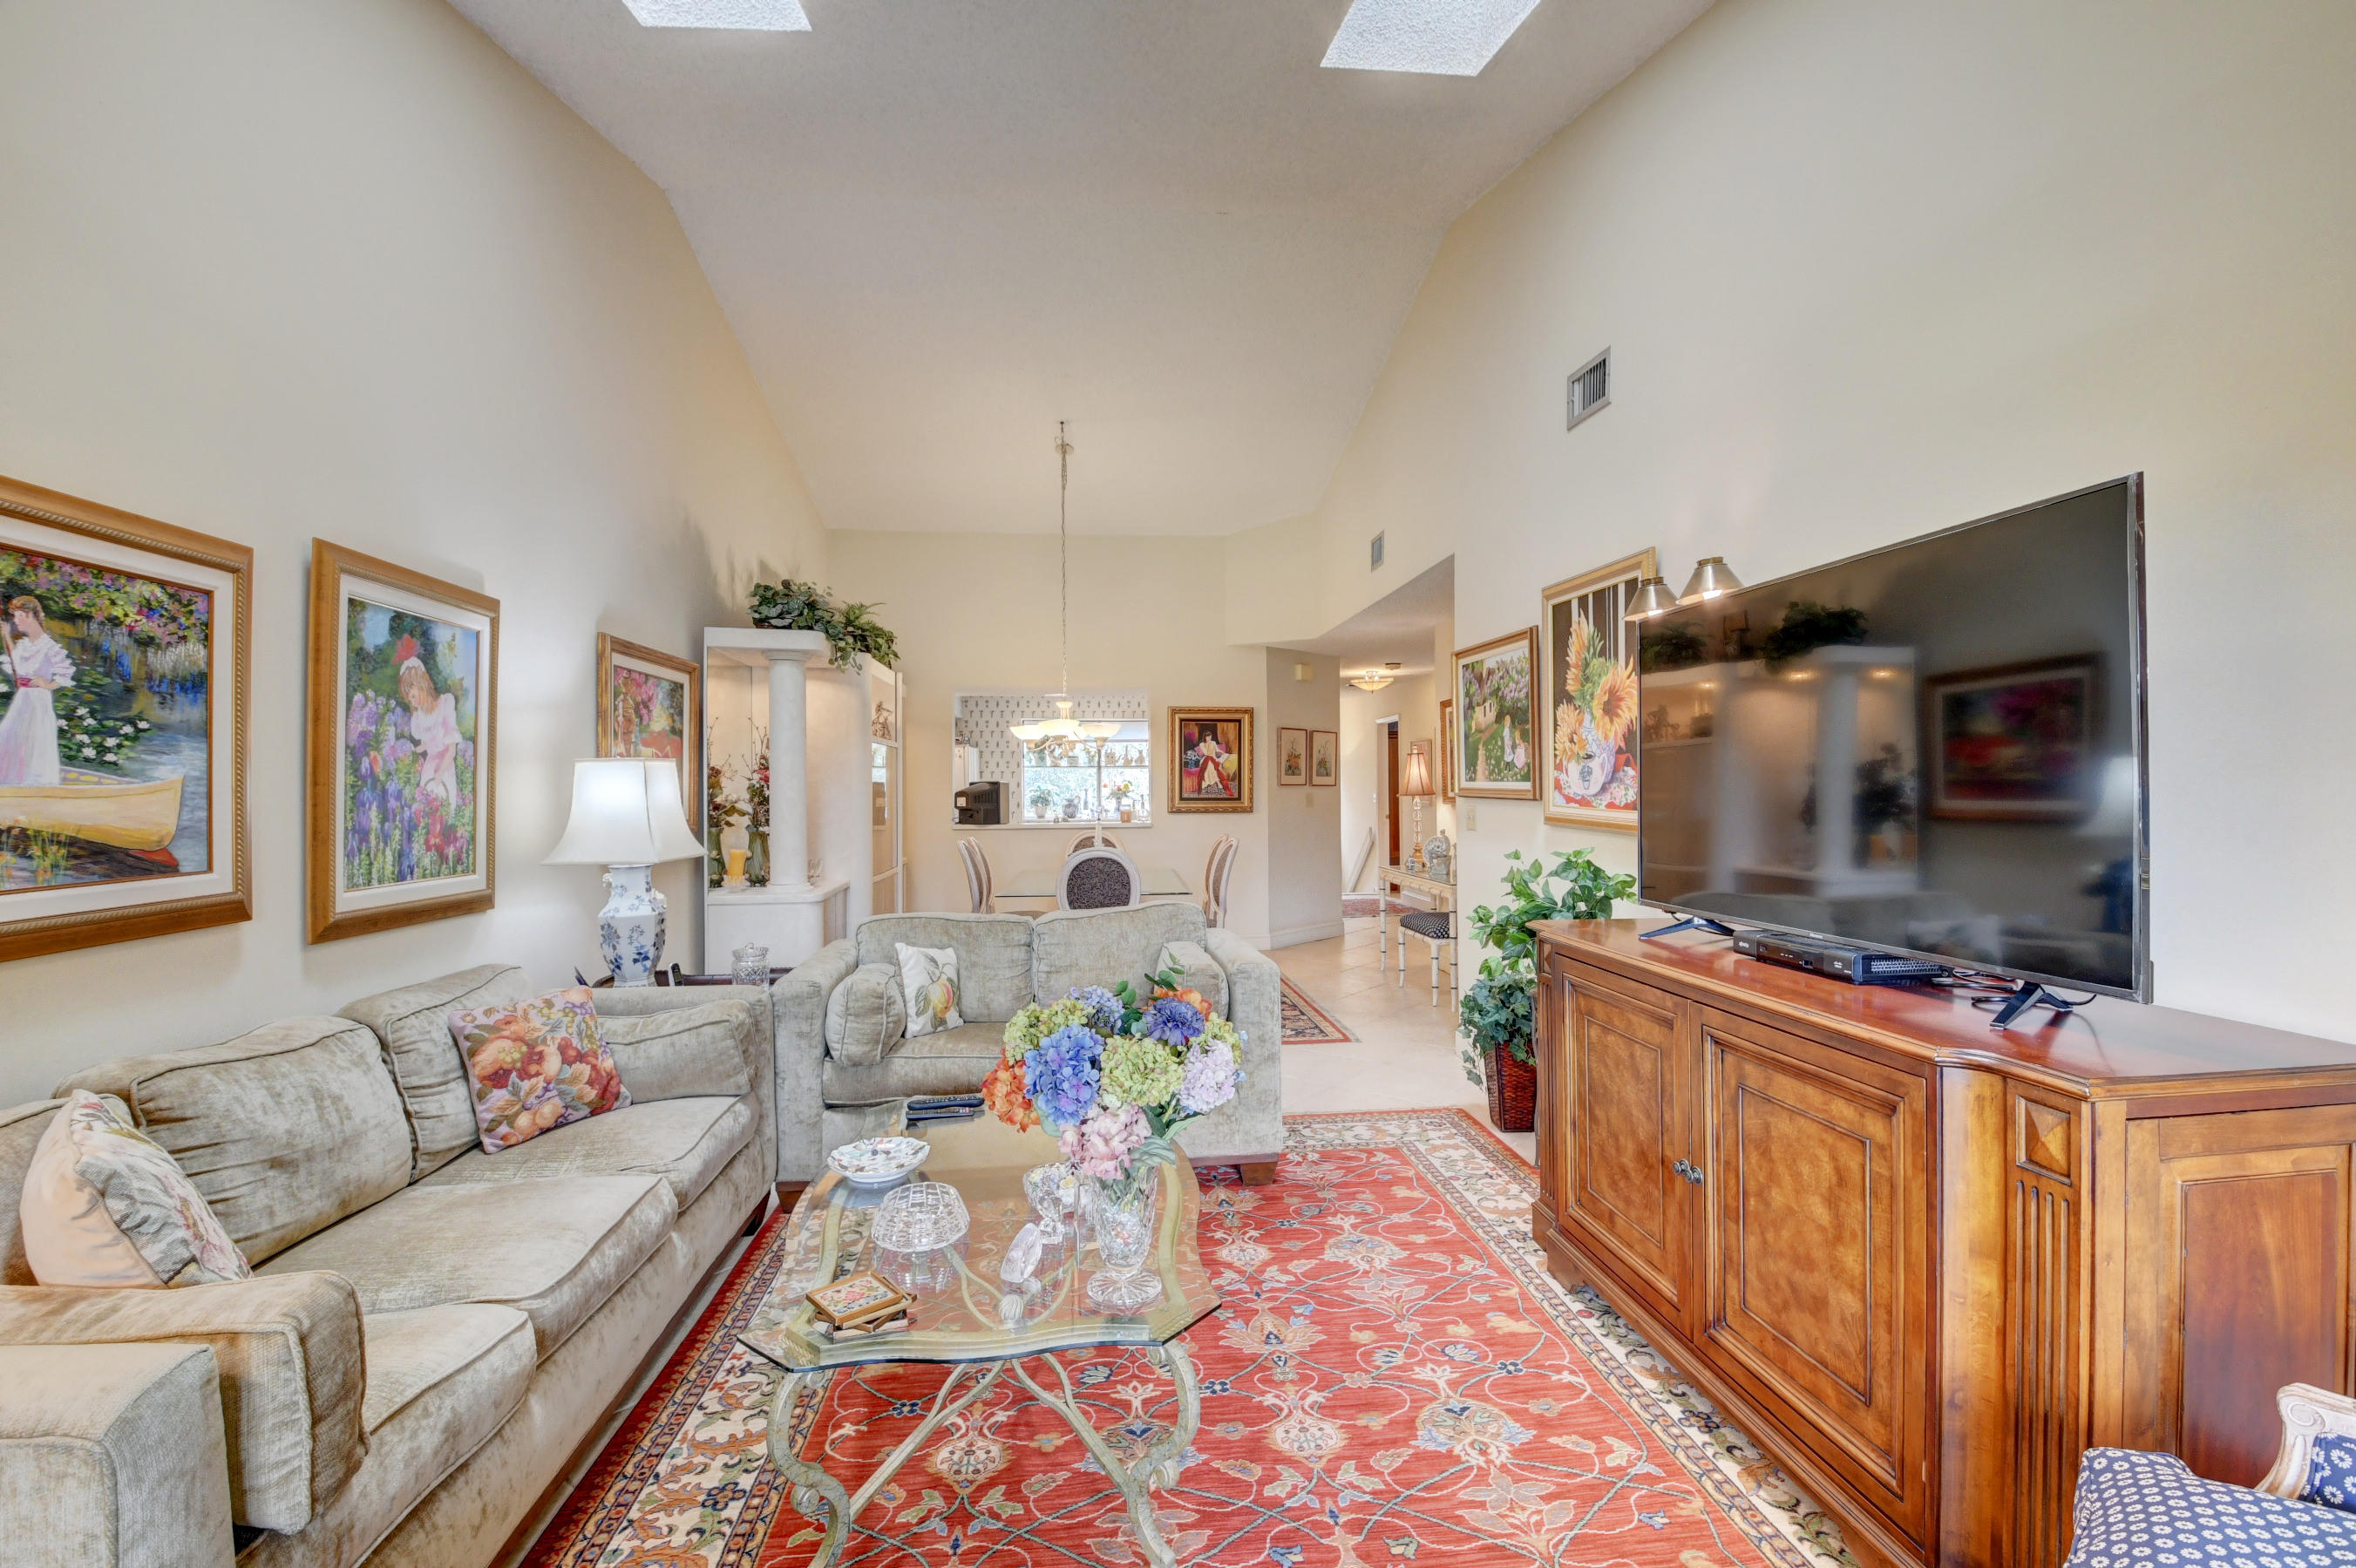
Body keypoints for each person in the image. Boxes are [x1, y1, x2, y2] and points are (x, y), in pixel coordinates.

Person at [0, 595, 73, 787]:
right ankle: (11, 782)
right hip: (23, 698)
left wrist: (47, 684)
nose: (15, 621)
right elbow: (16, 665)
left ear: (31, 615)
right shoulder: (25, 644)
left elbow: (65, 672)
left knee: (33, 742)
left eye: (19, 616)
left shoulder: (48, 645)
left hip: (38, 701)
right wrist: (6, 636)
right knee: (12, 737)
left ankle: (33, 785)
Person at [394, 637, 462, 806]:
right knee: (425, 811)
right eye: (409, 699)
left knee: (443, 809)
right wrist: (410, 751)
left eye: (413, 696)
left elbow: (451, 750)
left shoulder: (445, 703)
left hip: (444, 769)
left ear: (422, 685)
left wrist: (440, 773)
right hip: (430, 767)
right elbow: (427, 744)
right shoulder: (420, 717)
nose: (413, 702)